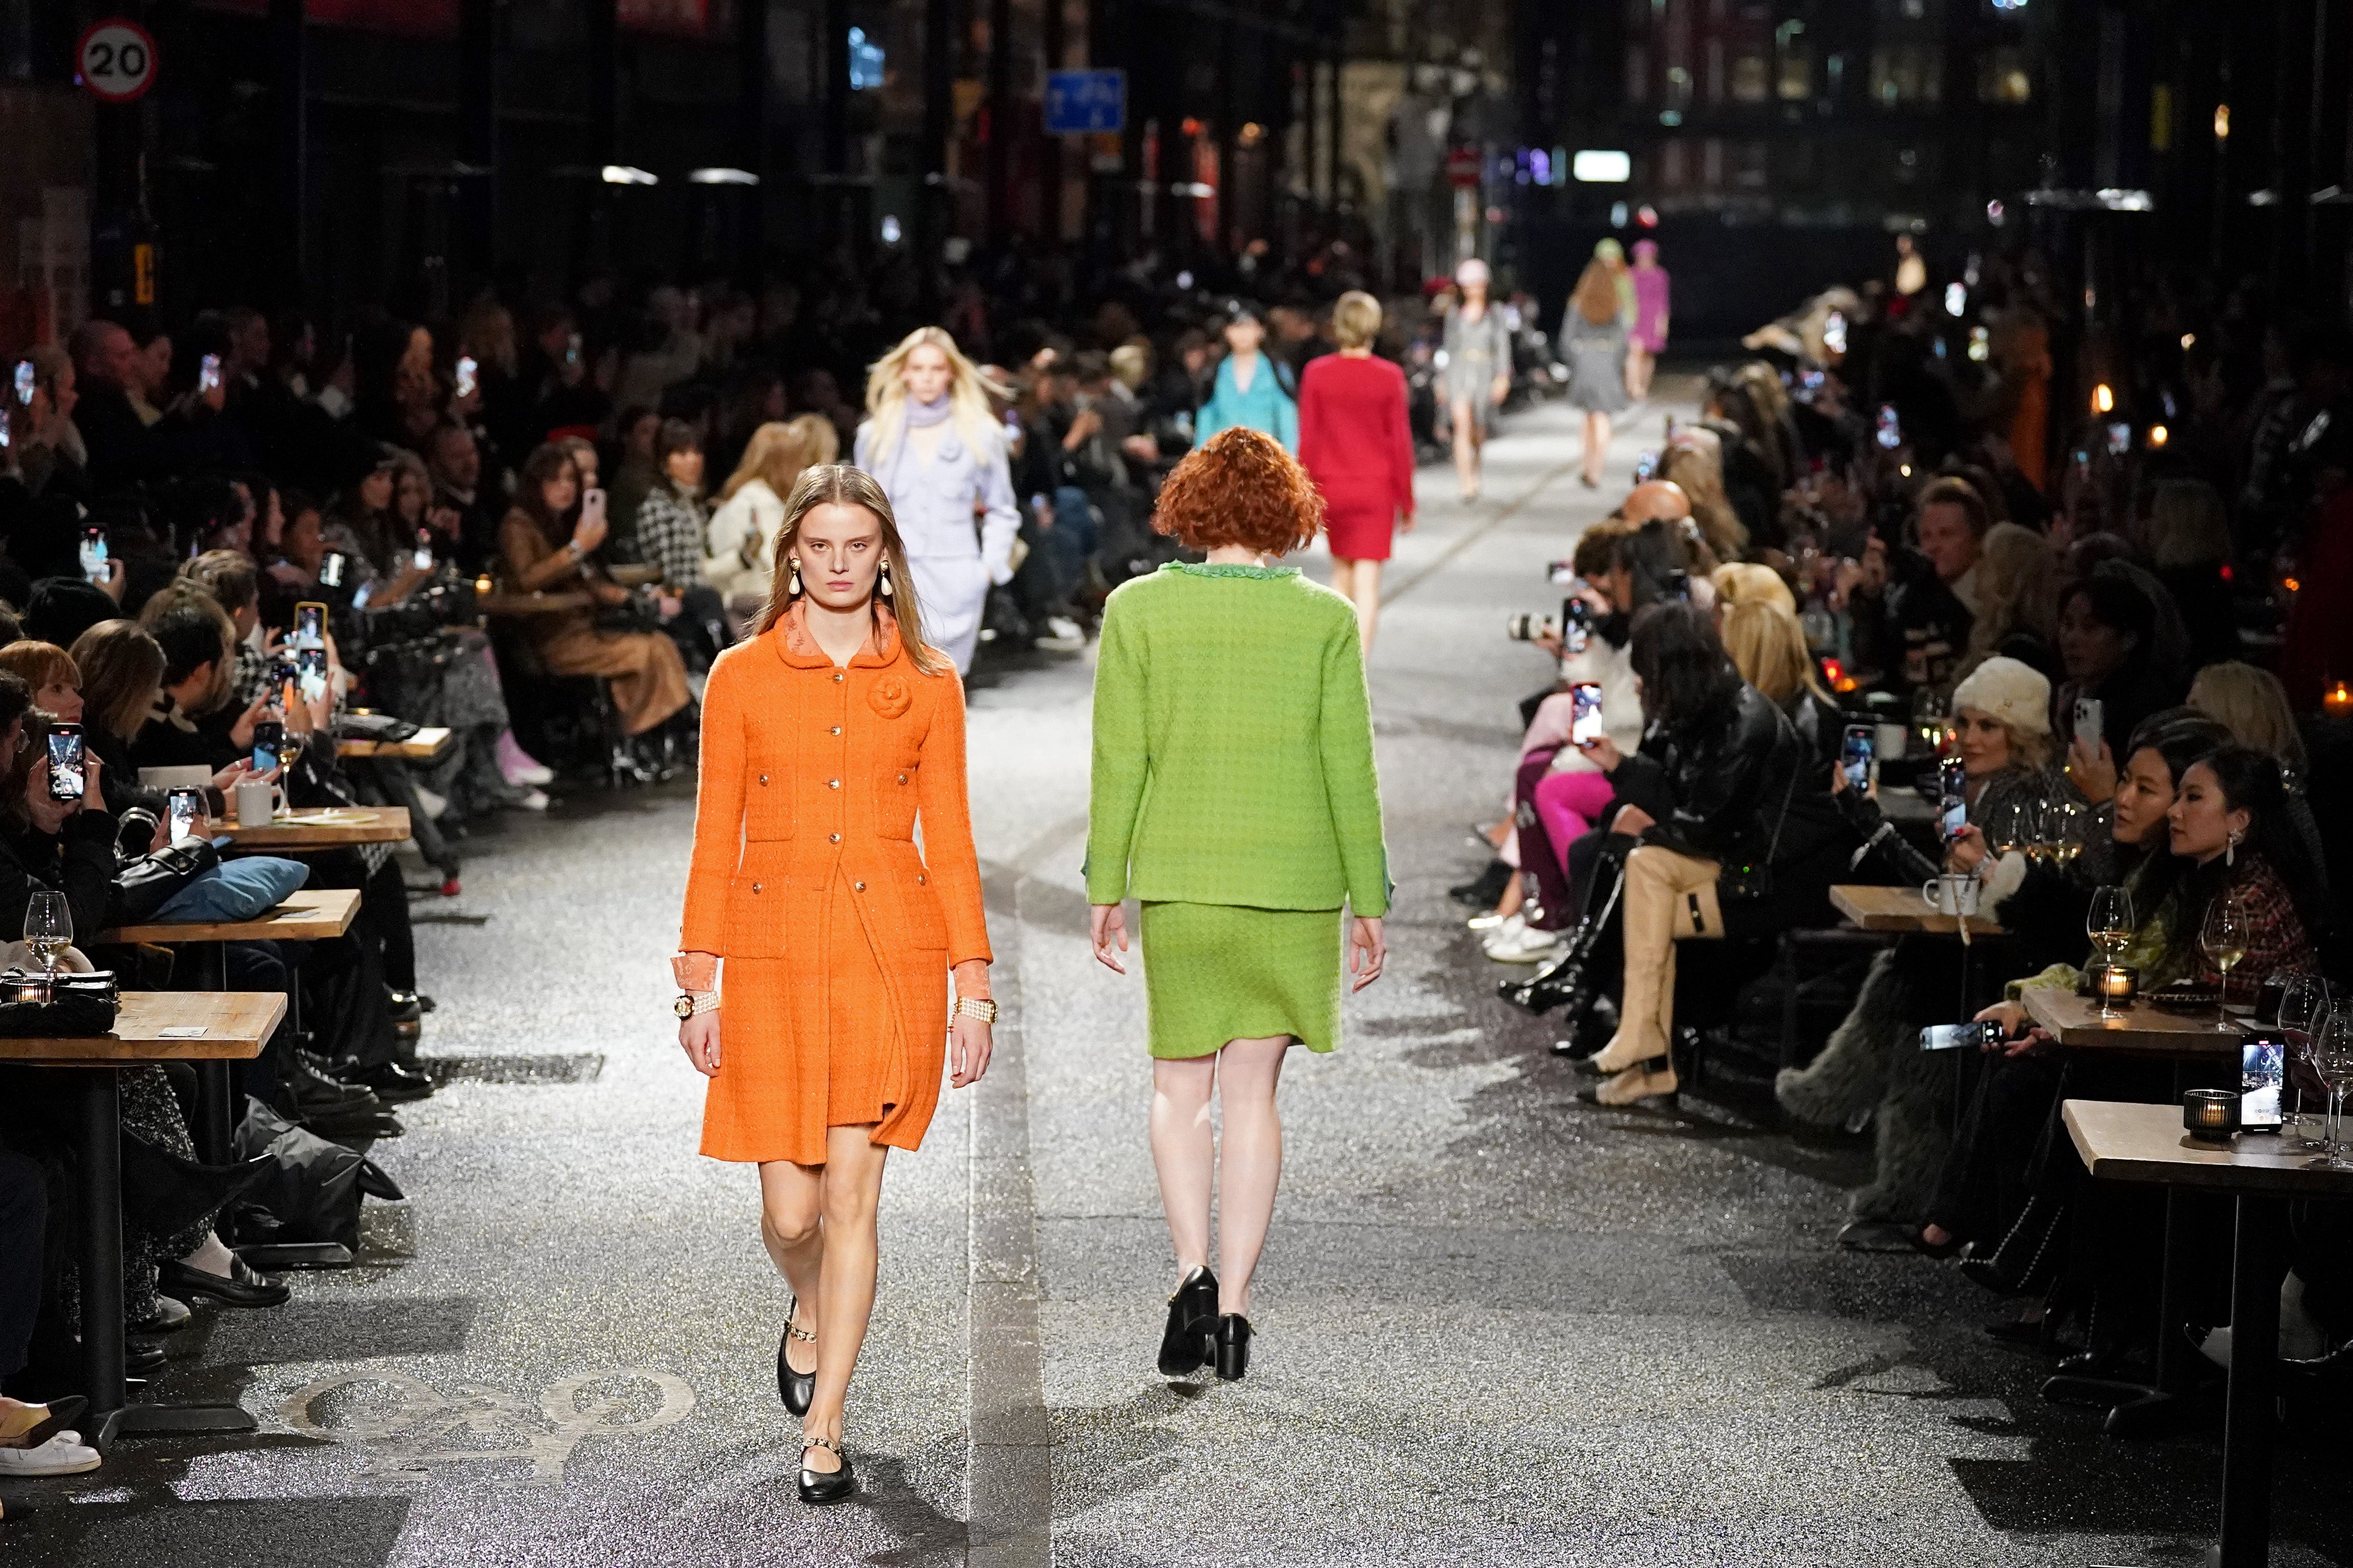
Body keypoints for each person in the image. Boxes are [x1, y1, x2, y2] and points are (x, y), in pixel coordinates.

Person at [674, 463, 993, 1506]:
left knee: (854, 1199)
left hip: (885, 959)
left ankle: (828, 1425)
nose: (842, 563)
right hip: (769, 956)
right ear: (793, 556)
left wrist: (973, 987)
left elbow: (949, 842)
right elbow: (712, 837)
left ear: (884, 554)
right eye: (821, 546)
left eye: (859, 545)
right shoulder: (742, 674)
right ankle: (807, 1303)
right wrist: (697, 984)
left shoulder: (930, 683)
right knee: (792, 1213)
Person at [1084, 428, 1389, 1384]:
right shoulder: (1328, 621)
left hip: (1184, 879)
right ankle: (1240, 1314)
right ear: (1289, 515)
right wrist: (1370, 899)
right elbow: (1352, 770)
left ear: (1190, 509)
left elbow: (1117, 760)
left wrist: (1105, 888)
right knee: (1254, 1095)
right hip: (1294, 885)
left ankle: (1191, 1275)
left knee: (1182, 1092)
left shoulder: (1137, 611)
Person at [1572, 602, 1840, 1107]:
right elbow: (1682, 798)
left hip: (1770, 879)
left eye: (1645, 677)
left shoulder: (1744, 722)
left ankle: (1647, 1047)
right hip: (1738, 860)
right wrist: (1618, 768)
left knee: (1641, 873)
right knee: (1640, 867)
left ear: (1670, 673)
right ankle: (1644, 1046)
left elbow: (1707, 826)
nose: (1638, 687)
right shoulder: (1705, 712)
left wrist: (1646, 828)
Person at [497, 442, 692, 744]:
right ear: (536, 484)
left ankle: (647, 738)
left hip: (586, 628)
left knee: (660, 644)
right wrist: (577, 548)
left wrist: (635, 599)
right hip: (552, 638)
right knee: (649, 651)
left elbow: (592, 583)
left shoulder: (562, 524)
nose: (566, 488)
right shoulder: (518, 525)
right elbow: (527, 580)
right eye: (555, 480)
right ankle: (639, 737)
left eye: (571, 480)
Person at [853, 327, 1021, 676]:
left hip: (958, 575)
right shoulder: (875, 436)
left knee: (946, 689)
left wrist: (987, 568)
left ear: (952, 373)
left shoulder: (982, 433)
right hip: (893, 575)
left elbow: (1002, 509)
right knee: (893, 685)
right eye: (917, 368)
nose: (927, 378)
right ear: (903, 372)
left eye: (936, 369)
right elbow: (860, 511)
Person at [1295, 291, 1414, 650]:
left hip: (1333, 489)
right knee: (1368, 585)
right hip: (1376, 491)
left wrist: (1304, 495)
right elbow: (1400, 444)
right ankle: (1357, 671)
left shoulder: (1317, 373)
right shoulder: (1390, 376)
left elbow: (1309, 440)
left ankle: (1335, 665)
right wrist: (1407, 501)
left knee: (1340, 576)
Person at [706, 416, 833, 634]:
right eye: (798, 463)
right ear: (782, 465)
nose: (802, 470)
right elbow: (778, 565)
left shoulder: (752, 498)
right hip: (753, 610)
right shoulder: (757, 504)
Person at [1441, 260, 1514, 501]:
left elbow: (1503, 346)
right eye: (1468, 284)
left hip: (1485, 370)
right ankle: (1466, 482)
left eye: (1478, 284)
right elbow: (1448, 347)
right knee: (1461, 423)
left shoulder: (1495, 313)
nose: (1473, 289)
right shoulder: (1454, 313)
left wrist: (1503, 377)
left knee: (1478, 429)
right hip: (1459, 370)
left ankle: (1476, 469)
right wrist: (1442, 379)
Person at [1559, 252, 1631, 490]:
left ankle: (1586, 465)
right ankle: (1596, 470)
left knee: (1589, 416)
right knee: (1603, 417)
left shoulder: (1578, 303)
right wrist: (1617, 363)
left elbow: (1566, 339)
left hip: (1585, 362)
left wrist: (1576, 361)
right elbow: (1623, 340)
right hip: (1607, 362)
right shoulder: (1615, 304)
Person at [1194, 301, 1298, 455]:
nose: (1243, 334)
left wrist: (1290, 460)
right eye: (1237, 327)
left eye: (1249, 327)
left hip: (1265, 460)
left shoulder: (1276, 370)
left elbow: (1287, 419)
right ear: (1226, 332)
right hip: (1222, 460)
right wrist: (1200, 459)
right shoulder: (1214, 371)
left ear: (1261, 331)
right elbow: (1205, 420)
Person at [1626, 239, 1670, 401]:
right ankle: (1633, 386)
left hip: (1652, 318)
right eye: (1641, 256)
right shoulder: (1630, 274)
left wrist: (1663, 322)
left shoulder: (1660, 275)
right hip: (1634, 317)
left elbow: (1663, 300)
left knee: (1648, 355)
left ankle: (1643, 386)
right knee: (1635, 351)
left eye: (1647, 256)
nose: (1644, 259)